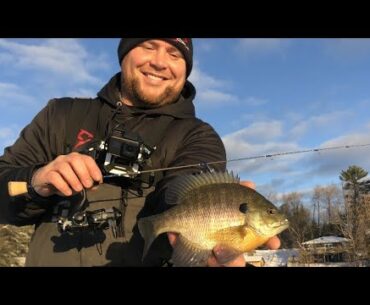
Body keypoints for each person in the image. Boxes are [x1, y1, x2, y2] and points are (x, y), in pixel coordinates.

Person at [0, 38, 279, 266]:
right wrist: (37, 181)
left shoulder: (198, 135)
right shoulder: (60, 115)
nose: (159, 61)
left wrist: (201, 220)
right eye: (148, 46)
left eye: (174, 53)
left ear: (186, 67)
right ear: (124, 53)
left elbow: (183, 184)